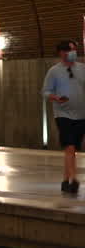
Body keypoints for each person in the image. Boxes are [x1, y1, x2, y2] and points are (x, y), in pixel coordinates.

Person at [42, 39, 84, 194]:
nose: (73, 53)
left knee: (71, 149)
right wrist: (56, 97)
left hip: (81, 114)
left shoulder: (82, 69)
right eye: (69, 50)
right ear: (61, 53)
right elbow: (45, 91)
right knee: (70, 146)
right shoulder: (54, 71)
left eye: (74, 50)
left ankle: (66, 181)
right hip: (63, 114)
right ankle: (74, 179)